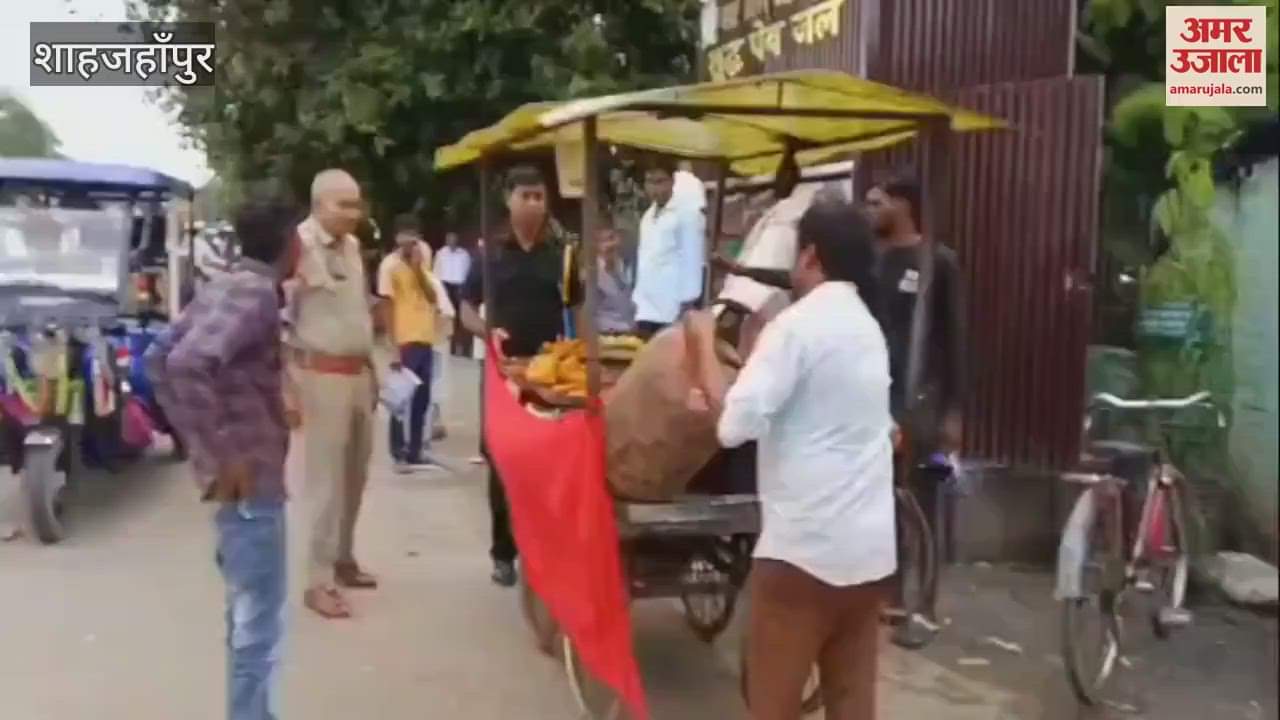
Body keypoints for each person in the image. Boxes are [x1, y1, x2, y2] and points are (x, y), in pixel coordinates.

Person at [704, 200, 895, 720]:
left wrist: (703, 352)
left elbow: (733, 427)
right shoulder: (868, 329)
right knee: (852, 702)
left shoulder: (796, 327)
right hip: (870, 555)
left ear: (809, 256)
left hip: (803, 555)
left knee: (772, 703)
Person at [145, 200, 299, 720]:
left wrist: (202, 449)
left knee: (246, 614)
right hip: (251, 481)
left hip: (242, 480)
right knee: (258, 623)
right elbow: (186, 364)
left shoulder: (224, 285)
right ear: (286, 242)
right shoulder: (254, 293)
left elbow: (157, 358)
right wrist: (221, 454)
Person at [459, 165, 581, 587]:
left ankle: (545, 545)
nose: (534, 204)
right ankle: (503, 552)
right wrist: (485, 330)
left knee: (551, 457)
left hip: (552, 371)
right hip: (504, 370)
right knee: (502, 460)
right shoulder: (489, 254)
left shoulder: (561, 253)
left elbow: (578, 306)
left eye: (540, 197)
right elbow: (466, 309)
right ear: (508, 199)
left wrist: (585, 349)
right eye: (526, 195)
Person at [288, 169, 380, 619]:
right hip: (321, 376)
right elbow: (278, 318)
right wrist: (285, 382)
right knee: (324, 482)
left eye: (356, 204)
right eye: (343, 204)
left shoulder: (353, 247)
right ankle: (317, 580)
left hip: (359, 373)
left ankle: (344, 557)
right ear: (318, 204)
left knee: (356, 475)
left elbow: (358, 312)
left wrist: (376, 371)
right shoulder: (297, 248)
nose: (353, 213)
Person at [863, 172, 966, 455]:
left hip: (920, 397)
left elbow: (954, 337)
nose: (870, 212)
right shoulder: (871, 260)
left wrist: (953, 413)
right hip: (874, 391)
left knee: (918, 481)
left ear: (902, 206)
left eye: (877, 204)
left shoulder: (937, 261)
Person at [380, 214, 445, 473]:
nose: (410, 241)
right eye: (405, 235)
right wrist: (392, 346)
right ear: (397, 238)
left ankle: (415, 450)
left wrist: (418, 269)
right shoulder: (389, 266)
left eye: (414, 235)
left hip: (425, 337)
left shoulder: (424, 255)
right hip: (404, 339)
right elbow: (386, 306)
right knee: (400, 399)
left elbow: (432, 296)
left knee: (422, 398)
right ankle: (398, 454)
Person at [632, 156, 705, 339]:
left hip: (672, 311)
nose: (655, 188)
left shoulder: (686, 214)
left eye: (660, 181)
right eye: (650, 182)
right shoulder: (647, 217)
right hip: (646, 309)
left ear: (672, 182)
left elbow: (693, 260)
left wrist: (686, 308)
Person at [433, 230, 473, 357]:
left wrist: (466, 288)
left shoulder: (464, 254)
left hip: (459, 286)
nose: (451, 242)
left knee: (461, 317)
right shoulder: (441, 253)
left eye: (454, 239)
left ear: (457, 240)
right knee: (448, 317)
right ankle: (450, 346)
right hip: (446, 286)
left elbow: (468, 272)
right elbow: (436, 272)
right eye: (449, 239)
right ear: (446, 241)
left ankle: (463, 346)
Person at [596, 223, 636, 335]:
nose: (610, 245)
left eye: (611, 238)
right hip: (606, 336)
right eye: (603, 241)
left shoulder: (621, 265)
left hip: (629, 333)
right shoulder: (591, 274)